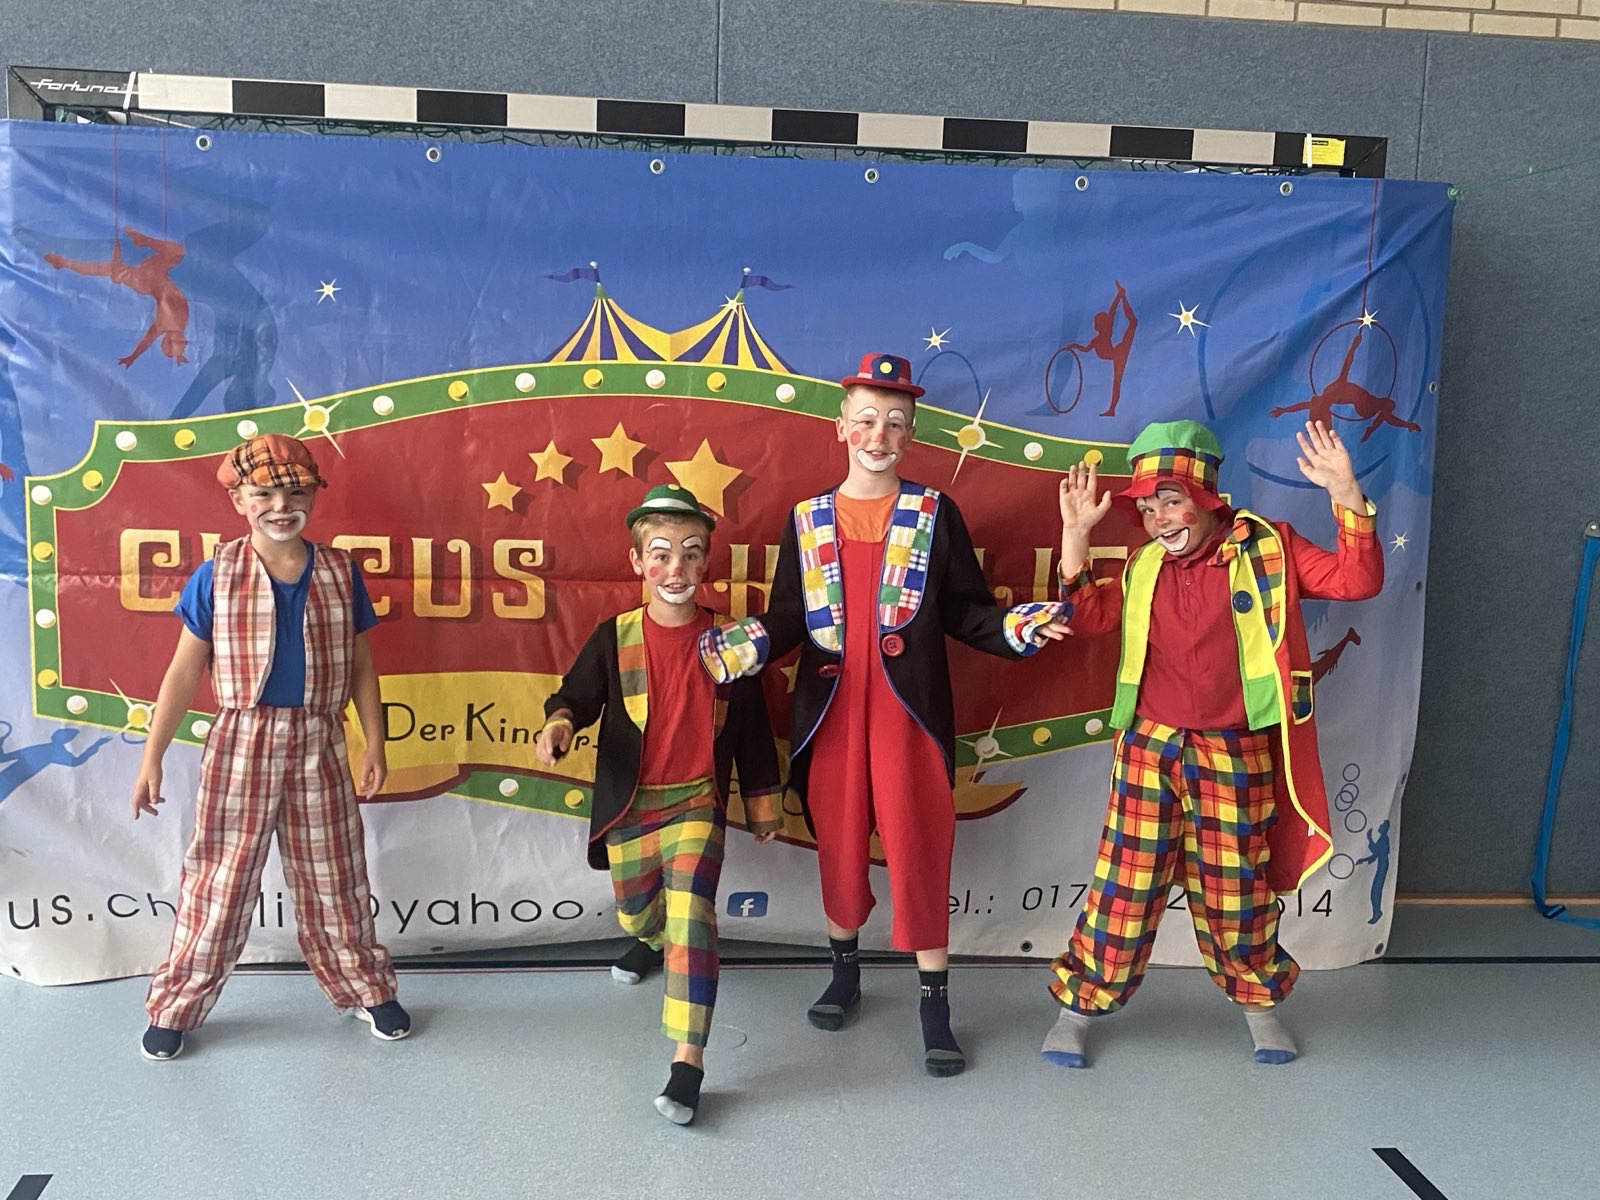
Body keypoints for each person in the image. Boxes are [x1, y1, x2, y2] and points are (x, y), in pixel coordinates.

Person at [700, 352, 1070, 1077]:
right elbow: (790, 615)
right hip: (831, 713)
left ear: (911, 435)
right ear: (841, 428)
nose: (880, 434)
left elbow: (966, 612)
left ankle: (935, 1003)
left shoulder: (934, 513)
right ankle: (845, 974)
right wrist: (746, 644)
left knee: (920, 844)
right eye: (867, 420)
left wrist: (1017, 628)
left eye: (895, 423)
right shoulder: (807, 518)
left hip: (909, 716)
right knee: (838, 845)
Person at [1042, 418, 1382, 1067]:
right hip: (1149, 748)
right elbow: (1087, 618)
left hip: (1233, 749)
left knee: (1236, 890)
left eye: (1169, 501)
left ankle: (1259, 1006)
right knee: (1123, 886)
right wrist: (1075, 535)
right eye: (1147, 508)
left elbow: (1356, 581)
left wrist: (1346, 494)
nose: (1158, 520)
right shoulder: (1143, 565)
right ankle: (1077, 1007)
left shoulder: (1270, 549)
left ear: (1204, 495)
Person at [133, 434, 405, 1061]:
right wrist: (152, 756)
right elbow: (183, 671)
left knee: (335, 873)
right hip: (241, 742)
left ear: (313, 496)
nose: (281, 506)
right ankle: (177, 1004)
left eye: (295, 492)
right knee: (220, 879)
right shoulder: (217, 574)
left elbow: (363, 665)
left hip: (319, 738)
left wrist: (375, 740)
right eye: (264, 494)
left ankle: (365, 986)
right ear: (239, 501)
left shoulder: (339, 572)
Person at [536, 483, 781, 1125]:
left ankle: (687, 1063)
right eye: (663, 554)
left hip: (697, 803)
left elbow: (753, 729)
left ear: (706, 563)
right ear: (638, 561)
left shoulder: (730, 643)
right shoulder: (614, 636)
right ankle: (648, 938)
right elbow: (574, 696)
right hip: (631, 808)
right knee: (636, 912)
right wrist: (560, 723)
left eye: (691, 554)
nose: (677, 568)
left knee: (693, 918)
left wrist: (762, 801)